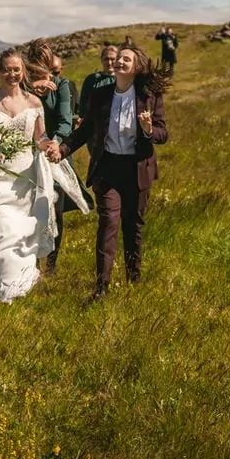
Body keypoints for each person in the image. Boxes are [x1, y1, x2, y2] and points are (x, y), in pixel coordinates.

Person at [45, 44, 169, 304]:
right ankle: (102, 287)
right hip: (108, 168)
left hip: (137, 169)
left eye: (126, 59)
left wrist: (147, 129)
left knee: (133, 227)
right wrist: (63, 150)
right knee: (108, 224)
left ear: (136, 67)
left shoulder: (149, 95)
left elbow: (162, 134)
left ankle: (133, 280)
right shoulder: (101, 94)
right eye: (119, 58)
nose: (119, 62)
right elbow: (86, 129)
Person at [0, 48, 87, 303]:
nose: (11, 74)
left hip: (25, 176)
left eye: (16, 69)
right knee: (2, 230)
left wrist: (52, 147)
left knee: (23, 230)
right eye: (6, 70)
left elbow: (40, 138)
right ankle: (7, 290)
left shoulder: (33, 102)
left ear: (22, 71)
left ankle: (24, 279)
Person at [25, 43, 93, 275]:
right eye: (44, 72)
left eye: (54, 72)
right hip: (25, 156)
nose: (51, 77)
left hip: (55, 154)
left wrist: (55, 143)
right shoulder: (23, 88)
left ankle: (50, 266)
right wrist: (32, 87)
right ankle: (29, 264)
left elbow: (65, 120)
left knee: (54, 207)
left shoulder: (62, 86)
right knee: (27, 210)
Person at [77, 44, 118, 127]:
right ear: (101, 60)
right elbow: (83, 104)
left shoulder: (124, 79)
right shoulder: (92, 80)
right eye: (106, 59)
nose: (109, 63)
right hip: (94, 125)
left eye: (113, 59)